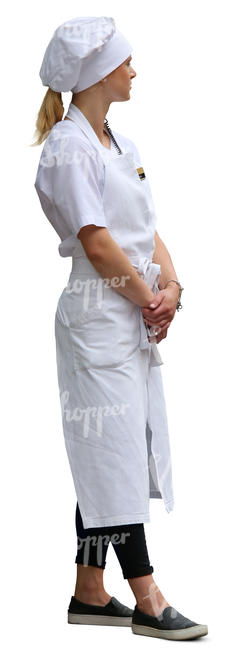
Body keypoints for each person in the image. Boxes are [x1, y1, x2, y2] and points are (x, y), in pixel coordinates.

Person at [33, 16, 208, 641]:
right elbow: (97, 242)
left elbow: (146, 233)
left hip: (127, 317)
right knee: (113, 456)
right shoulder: (68, 147)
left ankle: (88, 589)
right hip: (96, 319)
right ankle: (148, 598)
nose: (134, 70)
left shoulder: (120, 146)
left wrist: (173, 290)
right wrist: (144, 298)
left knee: (113, 451)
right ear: (98, 71)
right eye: (127, 61)